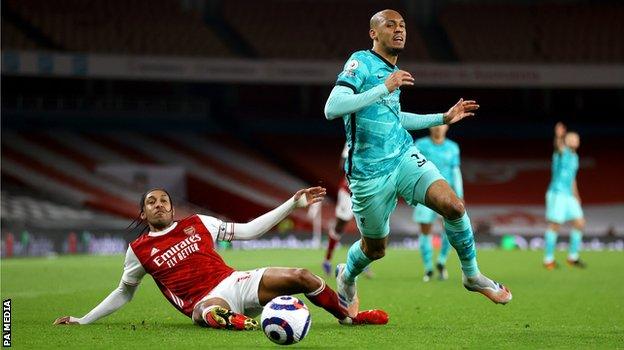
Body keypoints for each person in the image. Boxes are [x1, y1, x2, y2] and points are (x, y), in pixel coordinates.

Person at [323, 9, 512, 311]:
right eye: (390, 25)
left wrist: (443, 117)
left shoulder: (393, 70)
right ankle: (347, 274)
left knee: (453, 206)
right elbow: (332, 108)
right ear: (373, 33)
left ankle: (472, 274)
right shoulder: (361, 62)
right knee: (375, 249)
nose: (399, 30)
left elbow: (395, 120)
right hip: (368, 173)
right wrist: (384, 87)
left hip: (403, 156)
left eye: (403, 26)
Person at [54, 187, 388, 329]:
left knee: (302, 275)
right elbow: (124, 292)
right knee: (208, 309)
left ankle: (348, 317)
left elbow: (249, 230)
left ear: (171, 207)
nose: (159, 204)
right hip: (203, 300)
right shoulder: (139, 250)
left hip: (235, 282)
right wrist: (83, 320)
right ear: (142, 211)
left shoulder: (198, 223)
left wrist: (292, 203)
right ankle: (233, 321)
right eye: (152, 202)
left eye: (164, 200)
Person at [412, 125, 461, 282]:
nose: (438, 129)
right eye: (435, 125)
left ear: (446, 128)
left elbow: (456, 172)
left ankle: (441, 260)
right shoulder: (420, 144)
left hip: (446, 194)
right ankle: (428, 268)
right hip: (425, 193)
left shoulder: (453, 147)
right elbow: (412, 168)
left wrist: (460, 195)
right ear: (429, 127)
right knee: (425, 230)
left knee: (450, 229)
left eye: (441, 125)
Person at [322, 143, 373, 278]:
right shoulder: (352, 140)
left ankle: (364, 262)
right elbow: (343, 163)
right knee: (340, 226)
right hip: (347, 191)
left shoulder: (375, 141)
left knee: (366, 225)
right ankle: (327, 259)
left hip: (365, 191)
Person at [543, 122, 586, 269]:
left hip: (569, 195)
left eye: (577, 139)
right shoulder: (562, 152)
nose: (575, 140)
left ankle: (572, 257)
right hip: (557, 193)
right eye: (572, 138)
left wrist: (577, 195)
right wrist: (559, 135)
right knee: (555, 225)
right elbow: (558, 146)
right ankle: (548, 259)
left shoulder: (575, 157)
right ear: (567, 141)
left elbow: (572, 178)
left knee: (580, 223)